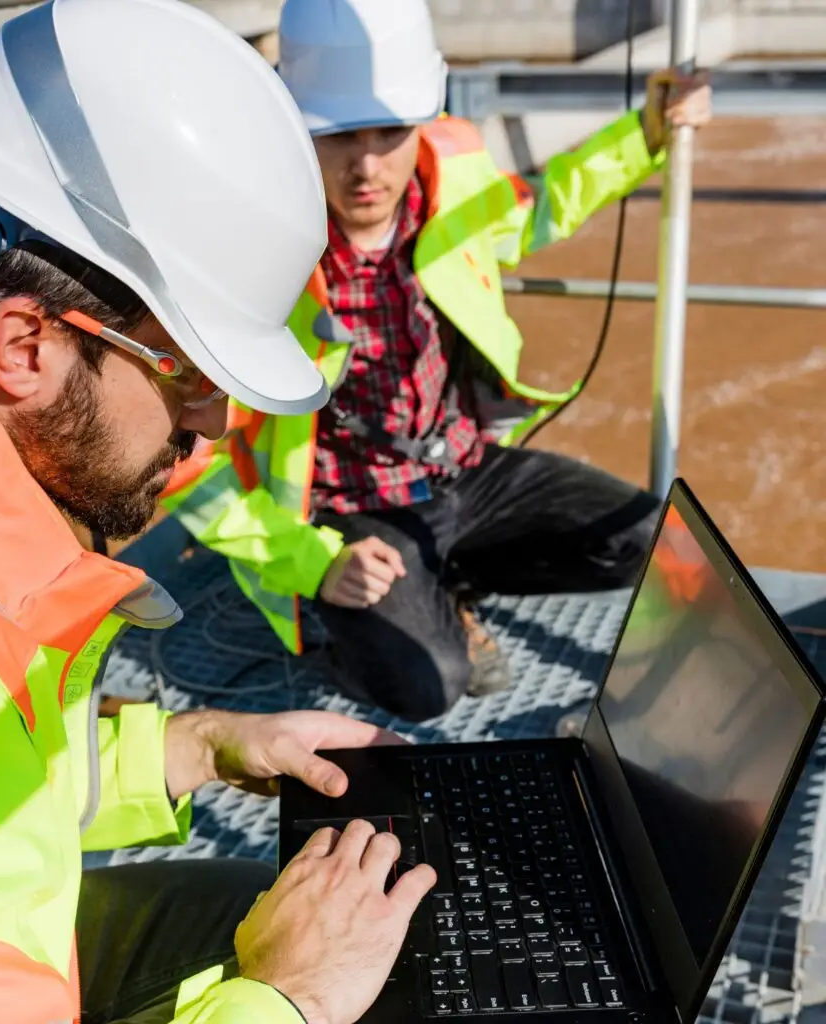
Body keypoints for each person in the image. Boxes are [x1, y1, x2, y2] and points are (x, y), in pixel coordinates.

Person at [0, 3, 436, 1023]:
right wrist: (291, 995)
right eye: (186, 374)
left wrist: (193, 747)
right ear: (23, 346)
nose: (216, 422)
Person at [161, 0, 713, 722]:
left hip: (465, 470)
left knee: (652, 540)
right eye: (337, 136)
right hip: (348, 514)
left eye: (389, 132)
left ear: (422, 118)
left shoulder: (455, 169)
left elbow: (537, 211)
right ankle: (359, 625)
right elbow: (185, 463)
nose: (366, 166)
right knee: (425, 688)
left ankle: (445, 587)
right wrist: (315, 564)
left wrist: (646, 134)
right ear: (295, 132)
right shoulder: (247, 249)